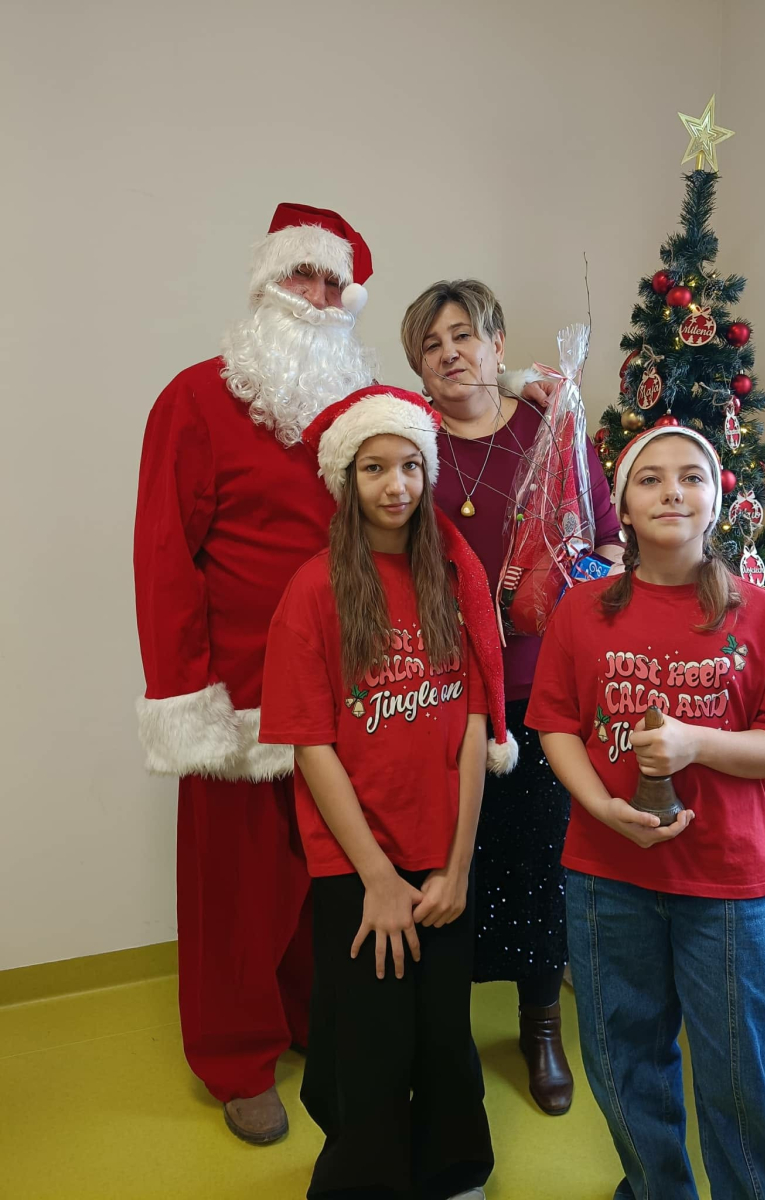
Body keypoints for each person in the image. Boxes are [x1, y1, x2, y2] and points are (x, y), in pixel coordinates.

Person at [133, 203, 376, 1143]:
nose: (315, 296)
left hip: (345, 688)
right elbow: (165, 554)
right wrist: (185, 695)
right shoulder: (196, 398)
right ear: (267, 285)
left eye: (332, 282)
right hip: (236, 695)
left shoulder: (367, 408)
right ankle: (236, 1057)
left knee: (331, 874)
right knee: (236, 892)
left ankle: (313, 1019)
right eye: (300, 276)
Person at [526, 425, 765, 1199]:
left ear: (716, 499)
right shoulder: (582, 612)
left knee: (742, 1078)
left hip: (726, 884)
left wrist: (696, 744)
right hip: (606, 878)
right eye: (650, 478)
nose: (672, 492)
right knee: (623, 1067)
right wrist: (602, 807)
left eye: (692, 477)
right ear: (622, 505)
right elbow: (556, 724)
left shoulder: (763, 617)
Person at [259, 385, 515, 1200]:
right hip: (358, 866)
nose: (395, 484)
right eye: (374, 468)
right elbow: (311, 744)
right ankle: (362, 1179)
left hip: (443, 860)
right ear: (347, 478)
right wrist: (376, 876)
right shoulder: (313, 592)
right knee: (370, 1041)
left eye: (410, 465)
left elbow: (474, 724)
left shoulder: (452, 580)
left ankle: (453, 1170)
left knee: (443, 1034)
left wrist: (457, 867)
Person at [400, 279, 622, 1116]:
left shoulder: (550, 426)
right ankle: (443, 1035)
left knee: (537, 863)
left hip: (538, 689)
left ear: (498, 345)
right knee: (445, 860)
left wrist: (568, 599)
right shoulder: (409, 441)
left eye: (463, 335)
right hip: (443, 692)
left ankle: (540, 1025)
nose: (450, 353)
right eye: (431, 344)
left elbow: (605, 541)